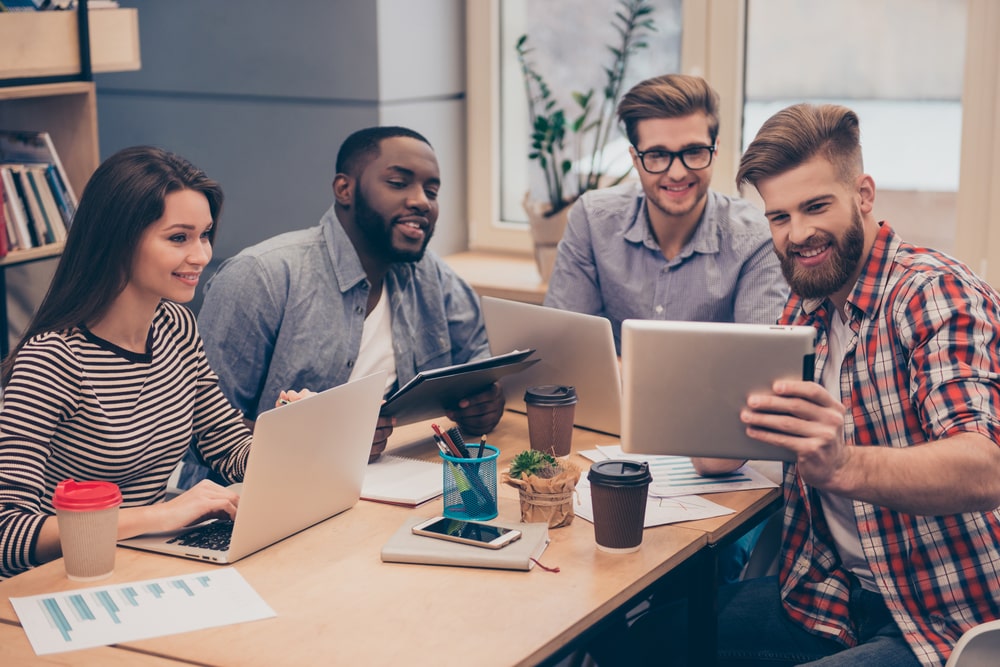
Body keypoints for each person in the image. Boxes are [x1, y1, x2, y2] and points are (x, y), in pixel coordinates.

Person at [714, 103, 1000, 666]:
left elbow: (985, 465)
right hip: (833, 600)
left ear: (863, 195)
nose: (798, 235)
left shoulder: (931, 295)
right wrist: (718, 443)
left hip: (951, 617)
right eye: (779, 217)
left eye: (816, 206)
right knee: (636, 636)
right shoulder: (805, 309)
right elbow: (788, 443)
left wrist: (842, 466)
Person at [0, 146, 307, 580]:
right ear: (119, 240)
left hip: (143, 563)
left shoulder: (176, 327)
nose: (201, 255)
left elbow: (227, 447)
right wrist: (163, 515)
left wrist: (296, 433)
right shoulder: (52, 360)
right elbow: (7, 535)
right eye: (178, 238)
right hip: (66, 579)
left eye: (205, 234)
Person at [198, 126, 505, 463]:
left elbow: (479, 361)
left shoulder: (429, 274)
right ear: (344, 189)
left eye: (431, 191)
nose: (422, 201)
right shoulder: (262, 276)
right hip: (265, 493)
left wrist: (483, 403)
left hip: (397, 478)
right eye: (399, 183)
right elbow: (202, 430)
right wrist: (324, 438)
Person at [544, 73, 788, 354]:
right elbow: (566, 346)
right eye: (657, 155)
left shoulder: (756, 238)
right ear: (636, 160)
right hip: (613, 397)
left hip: (715, 400)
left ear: (715, 149)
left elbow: (759, 363)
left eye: (694, 151)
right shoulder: (592, 219)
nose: (677, 173)